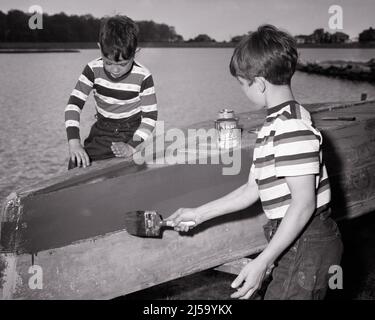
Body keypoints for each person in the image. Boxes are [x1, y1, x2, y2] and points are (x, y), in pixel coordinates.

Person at [168, 25, 343, 300]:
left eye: (242, 83)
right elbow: (251, 190)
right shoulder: (278, 123)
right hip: (296, 239)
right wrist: (198, 213)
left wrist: (262, 261)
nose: (242, 91)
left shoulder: (291, 127)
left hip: (307, 241)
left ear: (259, 83)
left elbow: (304, 203)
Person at [65, 15, 157, 169]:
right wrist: (74, 143)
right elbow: (73, 105)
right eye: (108, 62)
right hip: (102, 129)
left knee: (122, 165)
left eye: (122, 64)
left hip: (132, 131)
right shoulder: (92, 70)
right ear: (100, 48)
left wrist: (132, 146)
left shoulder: (143, 77)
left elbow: (150, 117)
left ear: (135, 52)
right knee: (76, 162)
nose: (114, 70)